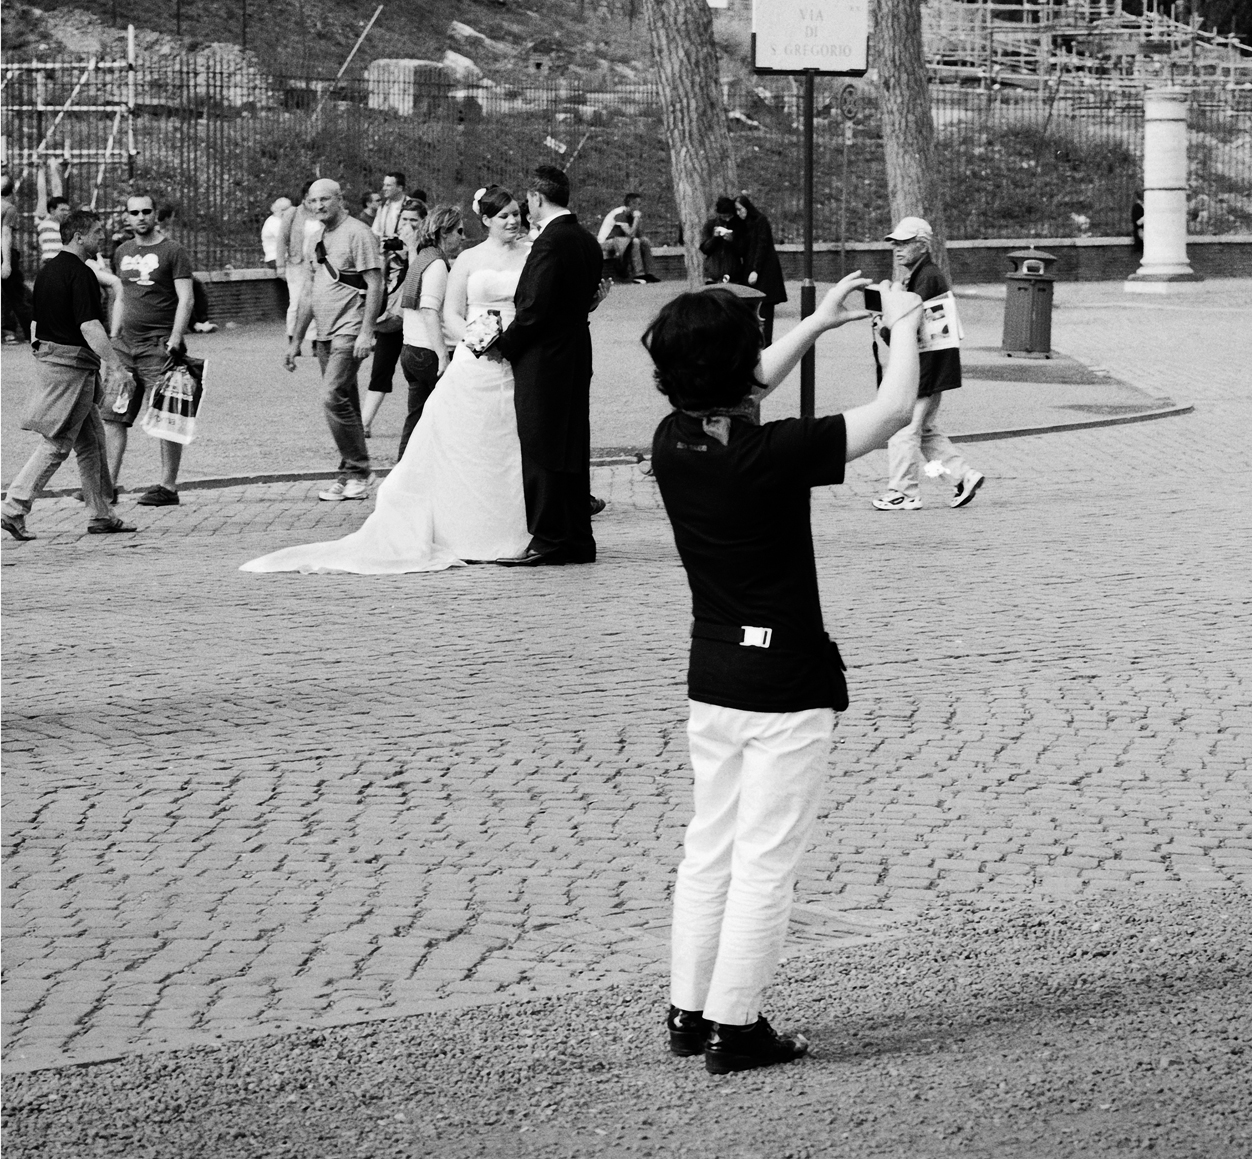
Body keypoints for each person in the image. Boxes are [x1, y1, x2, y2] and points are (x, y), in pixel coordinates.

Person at [645, 273, 923, 1075]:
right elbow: (894, 410)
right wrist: (901, 324)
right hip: (784, 683)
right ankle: (738, 1027)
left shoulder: (674, 440)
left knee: (710, 848)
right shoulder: (772, 452)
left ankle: (689, 1011)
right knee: (765, 860)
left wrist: (821, 323)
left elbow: (739, 380)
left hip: (715, 675)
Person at [241, 185, 532, 574]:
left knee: (510, 442)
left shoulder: (530, 255)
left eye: (517, 213)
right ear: (485, 221)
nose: (513, 221)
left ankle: (515, 524)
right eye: (504, 215)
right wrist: (479, 343)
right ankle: (452, 518)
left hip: (521, 356)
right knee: (462, 439)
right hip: (477, 354)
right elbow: (447, 312)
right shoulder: (462, 260)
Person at [495, 165, 607, 567]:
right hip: (577, 352)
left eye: (527, 200)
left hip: (544, 359)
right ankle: (577, 539)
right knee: (571, 446)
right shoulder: (586, 240)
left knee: (542, 446)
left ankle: (548, 539)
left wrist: (503, 345)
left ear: (538, 199)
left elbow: (534, 310)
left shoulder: (549, 243)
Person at [1, 210, 136, 541]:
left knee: (91, 441)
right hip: (72, 368)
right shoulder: (81, 273)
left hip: (54, 360)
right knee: (58, 443)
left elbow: (34, 323)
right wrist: (116, 366)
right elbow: (89, 326)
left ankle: (101, 513)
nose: (102, 238)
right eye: (97, 232)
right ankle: (13, 507)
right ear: (79, 236)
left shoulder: (47, 271)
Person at [871, 216, 984, 511]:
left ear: (922, 245)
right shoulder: (925, 274)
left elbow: (907, 325)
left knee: (903, 429)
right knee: (925, 431)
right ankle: (963, 476)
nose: (897, 248)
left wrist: (884, 324)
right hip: (931, 367)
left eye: (905, 243)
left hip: (924, 369)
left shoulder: (926, 277)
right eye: (895, 243)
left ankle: (903, 491)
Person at [282, 178, 383, 502]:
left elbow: (375, 283)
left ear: (340, 199)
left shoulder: (358, 233)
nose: (319, 206)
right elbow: (309, 294)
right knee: (347, 403)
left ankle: (359, 468)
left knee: (331, 395)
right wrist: (296, 340)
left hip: (349, 329)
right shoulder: (319, 240)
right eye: (313, 201)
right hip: (323, 333)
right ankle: (349, 473)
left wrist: (367, 331)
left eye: (326, 199)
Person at [101, 192, 195, 507]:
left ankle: (167, 487)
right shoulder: (122, 251)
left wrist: (176, 337)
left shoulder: (174, 251)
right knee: (114, 416)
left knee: (166, 416)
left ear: (155, 214)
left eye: (146, 211)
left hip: (159, 347)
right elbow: (120, 296)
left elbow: (186, 298)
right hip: (125, 348)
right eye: (134, 212)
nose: (140, 217)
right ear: (126, 217)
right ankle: (108, 486)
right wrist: (113, 336)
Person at [395, 202, 465, 457]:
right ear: (443, 232)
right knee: (449, 420)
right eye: (458, 231)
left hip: (411, 349)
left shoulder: (421, 259)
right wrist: (443, 355)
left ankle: (403, 474)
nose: (462, 237)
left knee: (416, 421)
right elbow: (429, 310)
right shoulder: (436, 264)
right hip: (429, 352)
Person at [362, 196, 427, 437]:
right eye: (405, 220)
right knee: (381, 367)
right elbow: (380, 281)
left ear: (424, 222)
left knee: (422, 374)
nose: (409, 225)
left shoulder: (430, 248)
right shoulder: (394, 247)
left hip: (420, 317)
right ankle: (365, 422)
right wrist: (384, 255)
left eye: (414, 220)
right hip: (395, 315)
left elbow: (419, 278)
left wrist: (411, 249)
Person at [733, 194, 786, 345]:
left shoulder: (760, 221)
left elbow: (762, 245)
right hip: (751, 270)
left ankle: (765, 341)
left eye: (740, 209)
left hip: (763, 272)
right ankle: (757, 341)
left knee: (765, 308)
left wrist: (755, 269)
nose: (739, 213)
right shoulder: (745, 225)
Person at [156, 203, 216, 333]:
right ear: (167, 218)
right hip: (163, 272)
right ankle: (194, 323)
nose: (172, 220)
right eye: (171, 217)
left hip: (174, 270)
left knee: (197, 286)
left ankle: (202, 320)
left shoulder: (168, 232)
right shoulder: (157, 232)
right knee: (181, 293)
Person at [278, 182, 320, 351]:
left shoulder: (323, 213)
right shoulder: (293, 213)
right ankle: (293, 338)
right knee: (296, 302)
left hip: (318, 265)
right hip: (297, 264)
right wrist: (280, 265)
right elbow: (282, 238)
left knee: (317, 302)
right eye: (312, 197)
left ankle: (317, 340)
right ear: (304, 197)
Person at [597, 192, 659, 284]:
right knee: (635, 241)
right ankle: (638, 275)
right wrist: (637, 218)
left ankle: (650, 273)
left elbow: (640, 234)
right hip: (607, 242)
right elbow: (631, 234)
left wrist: (637, 220)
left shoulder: (632, 215)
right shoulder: (620, 213)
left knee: (645, 241)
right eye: (638, 204)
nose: (639, 207)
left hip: (623, 241)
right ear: (631, 203)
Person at [2, 175, 34, 344]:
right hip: (4, 253)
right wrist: (6, 262)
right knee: (17, 295)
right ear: (11, 193)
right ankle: (32, 334)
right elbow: (6, 234)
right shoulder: (8, 207)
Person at [700, 196, 741, 285]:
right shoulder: (710, 225)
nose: (727, 219)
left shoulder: (738, 225)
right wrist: (714, 238)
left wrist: (732, 241)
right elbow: (705, 249)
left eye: (729, 216)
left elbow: (742, 250)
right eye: (724, 216)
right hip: (714, 273)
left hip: (732, 273)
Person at [371, 171, 407, 243]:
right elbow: (375, 231)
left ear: (400, 188)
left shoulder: (409, 206)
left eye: (388, 185)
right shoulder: (383, 205)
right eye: (384, 185)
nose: (384, 188)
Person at [37, 196, 71, 267]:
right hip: (51, 262)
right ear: (52, 210)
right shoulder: (46, 226)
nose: (66, 213)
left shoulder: (67, 226)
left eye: (67, 210)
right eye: (62, 210)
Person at [262, 196, 292, 269]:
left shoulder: (279, 221)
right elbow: (284, 239)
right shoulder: (274, 222)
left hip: (282, 257)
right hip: (275, 258)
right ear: (282, 210)